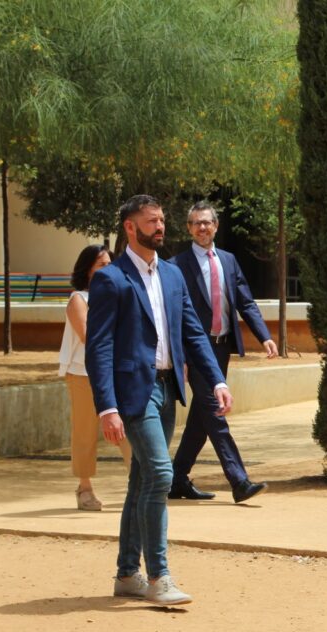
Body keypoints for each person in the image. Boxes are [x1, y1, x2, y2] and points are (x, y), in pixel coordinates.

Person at [87, 194, 233, 606]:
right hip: (134, 393)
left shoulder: (171, 275)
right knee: (160, 474)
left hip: (169, 390)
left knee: (142, 481)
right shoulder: (111, 280)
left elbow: (193, 333)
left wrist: (217, 380)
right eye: (151, 222)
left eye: (162, 221)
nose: (160, 227)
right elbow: (98, 348)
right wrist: (107, 406)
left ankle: (126, 573)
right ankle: (159, 576)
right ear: (130, 228)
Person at [168, 201, 274, 503]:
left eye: (207, 222)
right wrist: (182, 357)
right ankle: (239, 481)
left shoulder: (228, 260)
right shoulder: (177, 265)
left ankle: (176, 479)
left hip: (222, 347)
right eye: (196, 223)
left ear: (216, 226)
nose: (202, 227)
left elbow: (246, 302)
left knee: (202, 418)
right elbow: (175, 317)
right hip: (196, 353)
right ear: (189, 228)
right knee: (216, 412)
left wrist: (264, 336)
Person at [58, 244, 133, 511]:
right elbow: (89, 337)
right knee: (85, 432)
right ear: (87, 270)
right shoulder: (79, 298)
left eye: (110, 263)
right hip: (82, 374)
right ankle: (85, 487)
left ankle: (140, 485)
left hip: (116, 373)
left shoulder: (117, 295)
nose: (108, 269)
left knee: (129, 429)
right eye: (101, 264)